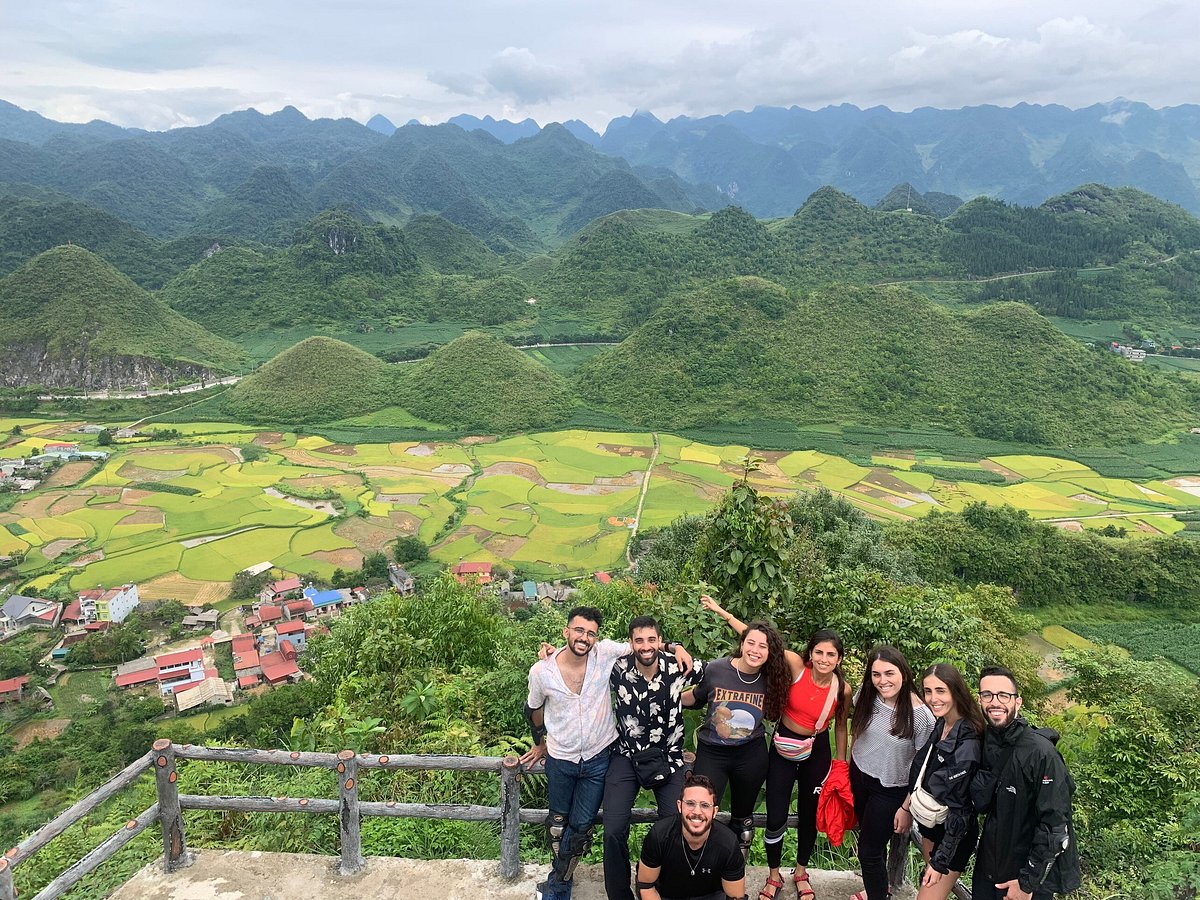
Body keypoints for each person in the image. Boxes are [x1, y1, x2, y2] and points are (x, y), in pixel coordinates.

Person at [523, 607, 693, 900]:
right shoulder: (542, 671)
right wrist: (539, 743)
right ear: (566, 632)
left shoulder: (605, 655)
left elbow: (644, 645)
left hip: (598, 757)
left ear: (596, 637)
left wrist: (675, 647)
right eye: (578, 630)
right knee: (557, 826)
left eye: (590, 633)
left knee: (580, 828)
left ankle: (558, 886)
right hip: (560, 757)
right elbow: (534, 709)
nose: (584, 637)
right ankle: (561, 883)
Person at [702, 598, 851, 900]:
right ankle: (773, 874)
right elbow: (759, 643)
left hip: (817, 748)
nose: (823, 659)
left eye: (830, 654)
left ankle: (800, 870)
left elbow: (841, 726)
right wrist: (724, 614)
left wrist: (840, 764)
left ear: (838, 659)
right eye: (819, 652)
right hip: (783, 745)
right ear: (811, 653)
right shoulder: (797, 665)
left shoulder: (842, 689)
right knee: (776, 813)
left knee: (809, 815)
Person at [604, 615, 705, 900]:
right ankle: (620, 895)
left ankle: (659, 890)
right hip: (627, 756)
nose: (645, 646)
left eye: (652, 640)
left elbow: (719, 673)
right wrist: (553, 655)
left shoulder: (678, 665)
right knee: (612, 829)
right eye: (639, 640)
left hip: (669, 757)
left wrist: (679, 647)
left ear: (660, 642)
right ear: (631, 643)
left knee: (674, 825)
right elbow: (583, 661)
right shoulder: (617, 669)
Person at [684, 611, 791, 864]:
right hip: (713, 751)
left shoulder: (772, 678)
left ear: (770, 653)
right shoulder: (716, 669)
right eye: (751, 643)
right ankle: (698, 869)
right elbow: (696, 697)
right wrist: (666, 696)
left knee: (743, 823)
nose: (755, 650)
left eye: (763, 646)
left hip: (750, 754)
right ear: (741, 644)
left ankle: (734, 871)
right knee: (701, 813)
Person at [969, 666, 1080, 900]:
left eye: (1003, 695)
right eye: (987, 695)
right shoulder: (987, 741)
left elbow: (1055, 827)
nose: (994, 702)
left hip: (1023, 881)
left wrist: (1027, 883)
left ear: (1017, 702)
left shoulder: (1041, 754)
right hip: (988, 872)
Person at [848, 645, 935, 900]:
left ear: (903, 674)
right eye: (876, 674)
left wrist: (907, 807)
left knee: (869, 850)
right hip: (860, 774)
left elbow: (923, 768)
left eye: (889, 673)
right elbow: (858, 729)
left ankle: (877, 895)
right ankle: (879, 886)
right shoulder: (867, 693)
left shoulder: (920, 716)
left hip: (891, 788)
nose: (882, 681)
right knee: (868, 838)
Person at [900, 663, 984, 900]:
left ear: (955, 692)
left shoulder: (968, 742)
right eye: (928, 691)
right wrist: (906, 806)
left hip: (952, 838)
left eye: (941, 691)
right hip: (931, 825)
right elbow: (923, 771)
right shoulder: (943, 723)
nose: (933, 698)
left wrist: (940, 862)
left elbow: (961, 811)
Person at [635, 771, 747, 900]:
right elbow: (646, 885)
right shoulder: (660, 834)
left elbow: (736, 898)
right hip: (666, 895)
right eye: (690, 803)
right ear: (680, 806)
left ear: (714, 811)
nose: (697, 812)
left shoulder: (728, 843)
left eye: (705, 805)